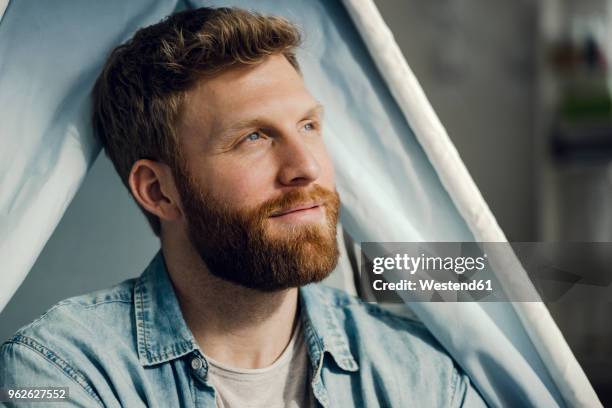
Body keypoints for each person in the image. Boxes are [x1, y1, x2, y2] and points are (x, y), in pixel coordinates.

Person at [0, 7, 486, 407]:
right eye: (254, 137)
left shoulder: (420, 371)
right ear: (158, 191)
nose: (306, 167)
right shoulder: (60, 371)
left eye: (309, 127)